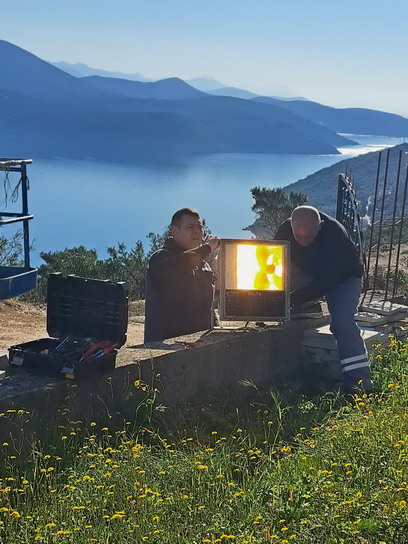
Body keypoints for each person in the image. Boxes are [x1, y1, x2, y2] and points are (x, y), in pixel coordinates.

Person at [274, 205, 373, 393]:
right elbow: (271, 258)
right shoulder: (285, 230)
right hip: (309, 272)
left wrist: (294, 299)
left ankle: (359, 384)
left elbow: (328, 281)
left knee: (342, 322)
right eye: (298, 237)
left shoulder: (335, 234)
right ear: (291, 225)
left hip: (343, 278)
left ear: (320, 225)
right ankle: (306, 307)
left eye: (309, 237)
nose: (303, 242)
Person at [144, 208, 220, 343]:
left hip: (201, 347)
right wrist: (207, 248)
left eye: (200, 227)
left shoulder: (203, 266)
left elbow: (208, 309)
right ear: (174, 231)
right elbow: (179, 265)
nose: (197, 231)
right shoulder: (160, 258)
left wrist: (216, 332)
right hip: (168, 350)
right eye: (190, 227)